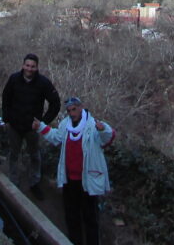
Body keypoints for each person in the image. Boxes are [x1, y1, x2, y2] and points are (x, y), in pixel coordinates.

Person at [34, 96, 115, 245]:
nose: (72, 113)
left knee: (90, 216)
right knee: (71, 215)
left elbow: (107, 138)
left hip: (87, 180)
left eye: (74, 109)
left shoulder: (92, 125)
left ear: (81, 107)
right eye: (69, 110)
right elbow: (56, 137)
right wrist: (41, 127)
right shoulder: (65, 125)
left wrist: (104, 129)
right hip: (70, 179)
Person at [1, 53, 61, 199]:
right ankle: (13, 181)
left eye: (33, 66)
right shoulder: (14, 79)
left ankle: (34, 183)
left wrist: (43, 123)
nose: (29, 68)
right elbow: (6, 97)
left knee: (34, 155)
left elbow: (55, 103)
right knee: (14, 153)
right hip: (14, 124)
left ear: (37, 67)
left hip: (32, 127)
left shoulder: (43, 83)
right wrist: (6, 118)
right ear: (23, 65)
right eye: (27, 65)